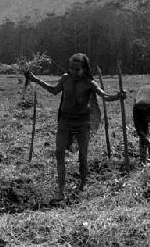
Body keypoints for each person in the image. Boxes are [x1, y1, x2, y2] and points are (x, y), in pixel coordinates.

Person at [26, 53, 125, 199]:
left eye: (77, 69)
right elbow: (53, 90)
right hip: (65, 121)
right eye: (71, 68)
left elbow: (104, 96)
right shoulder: (65, 78)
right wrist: (35, 79)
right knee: (59, 152)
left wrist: (117, 96)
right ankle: (61, 190)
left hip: (82, 123)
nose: (73, 72)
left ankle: (83, 183)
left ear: (84, 69)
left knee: (83, 156)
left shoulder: (89, 83)